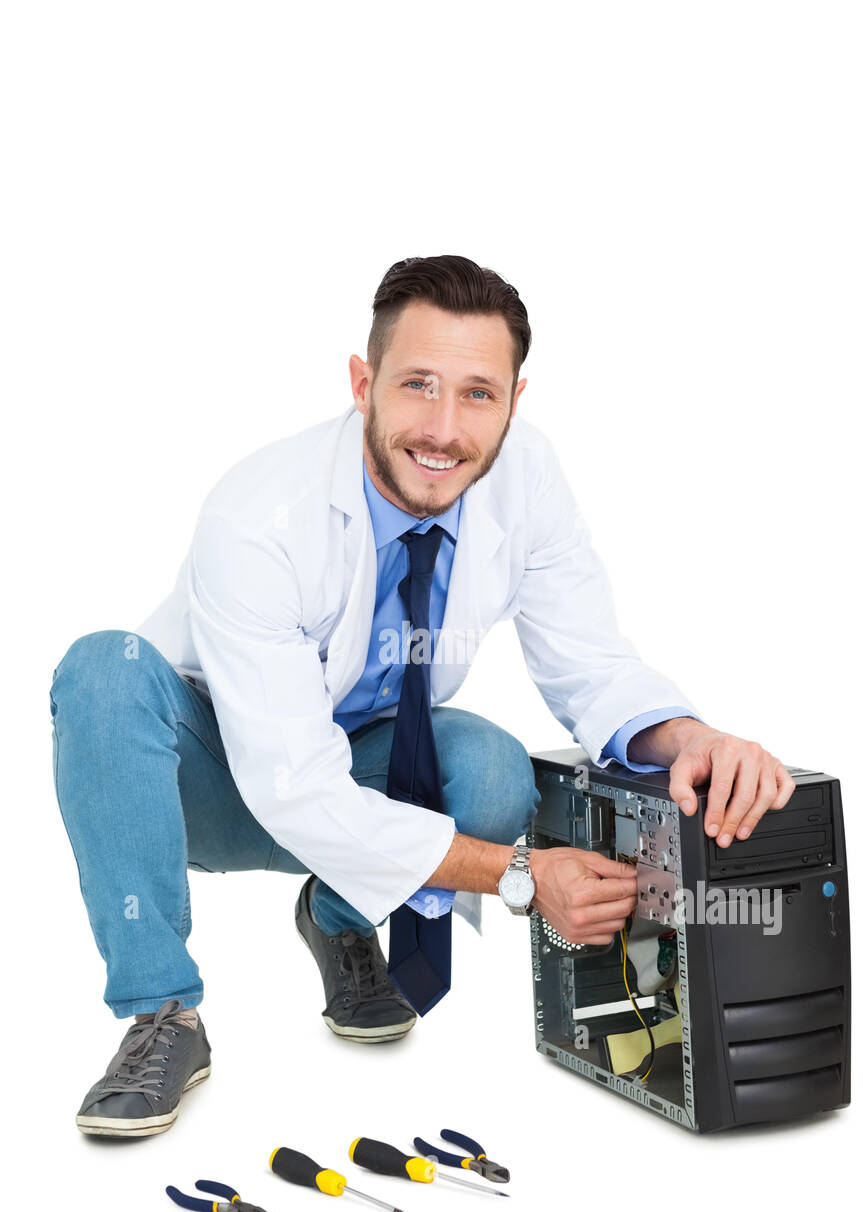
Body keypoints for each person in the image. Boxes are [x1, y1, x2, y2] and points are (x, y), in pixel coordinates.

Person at [50, 254, 796, 1138]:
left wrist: (694, 738)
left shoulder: (525, 477)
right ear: (363, 383)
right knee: (102, 667)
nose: (444, 430)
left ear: (517, 400)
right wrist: (522, 877)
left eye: (479, 393)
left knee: (488, 766)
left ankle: (339, 918)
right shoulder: (259, 515)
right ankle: (163, 1015)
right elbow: (293, 786)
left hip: (362, 761)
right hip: (196, 787)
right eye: (418, 385)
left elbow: (591, 662)